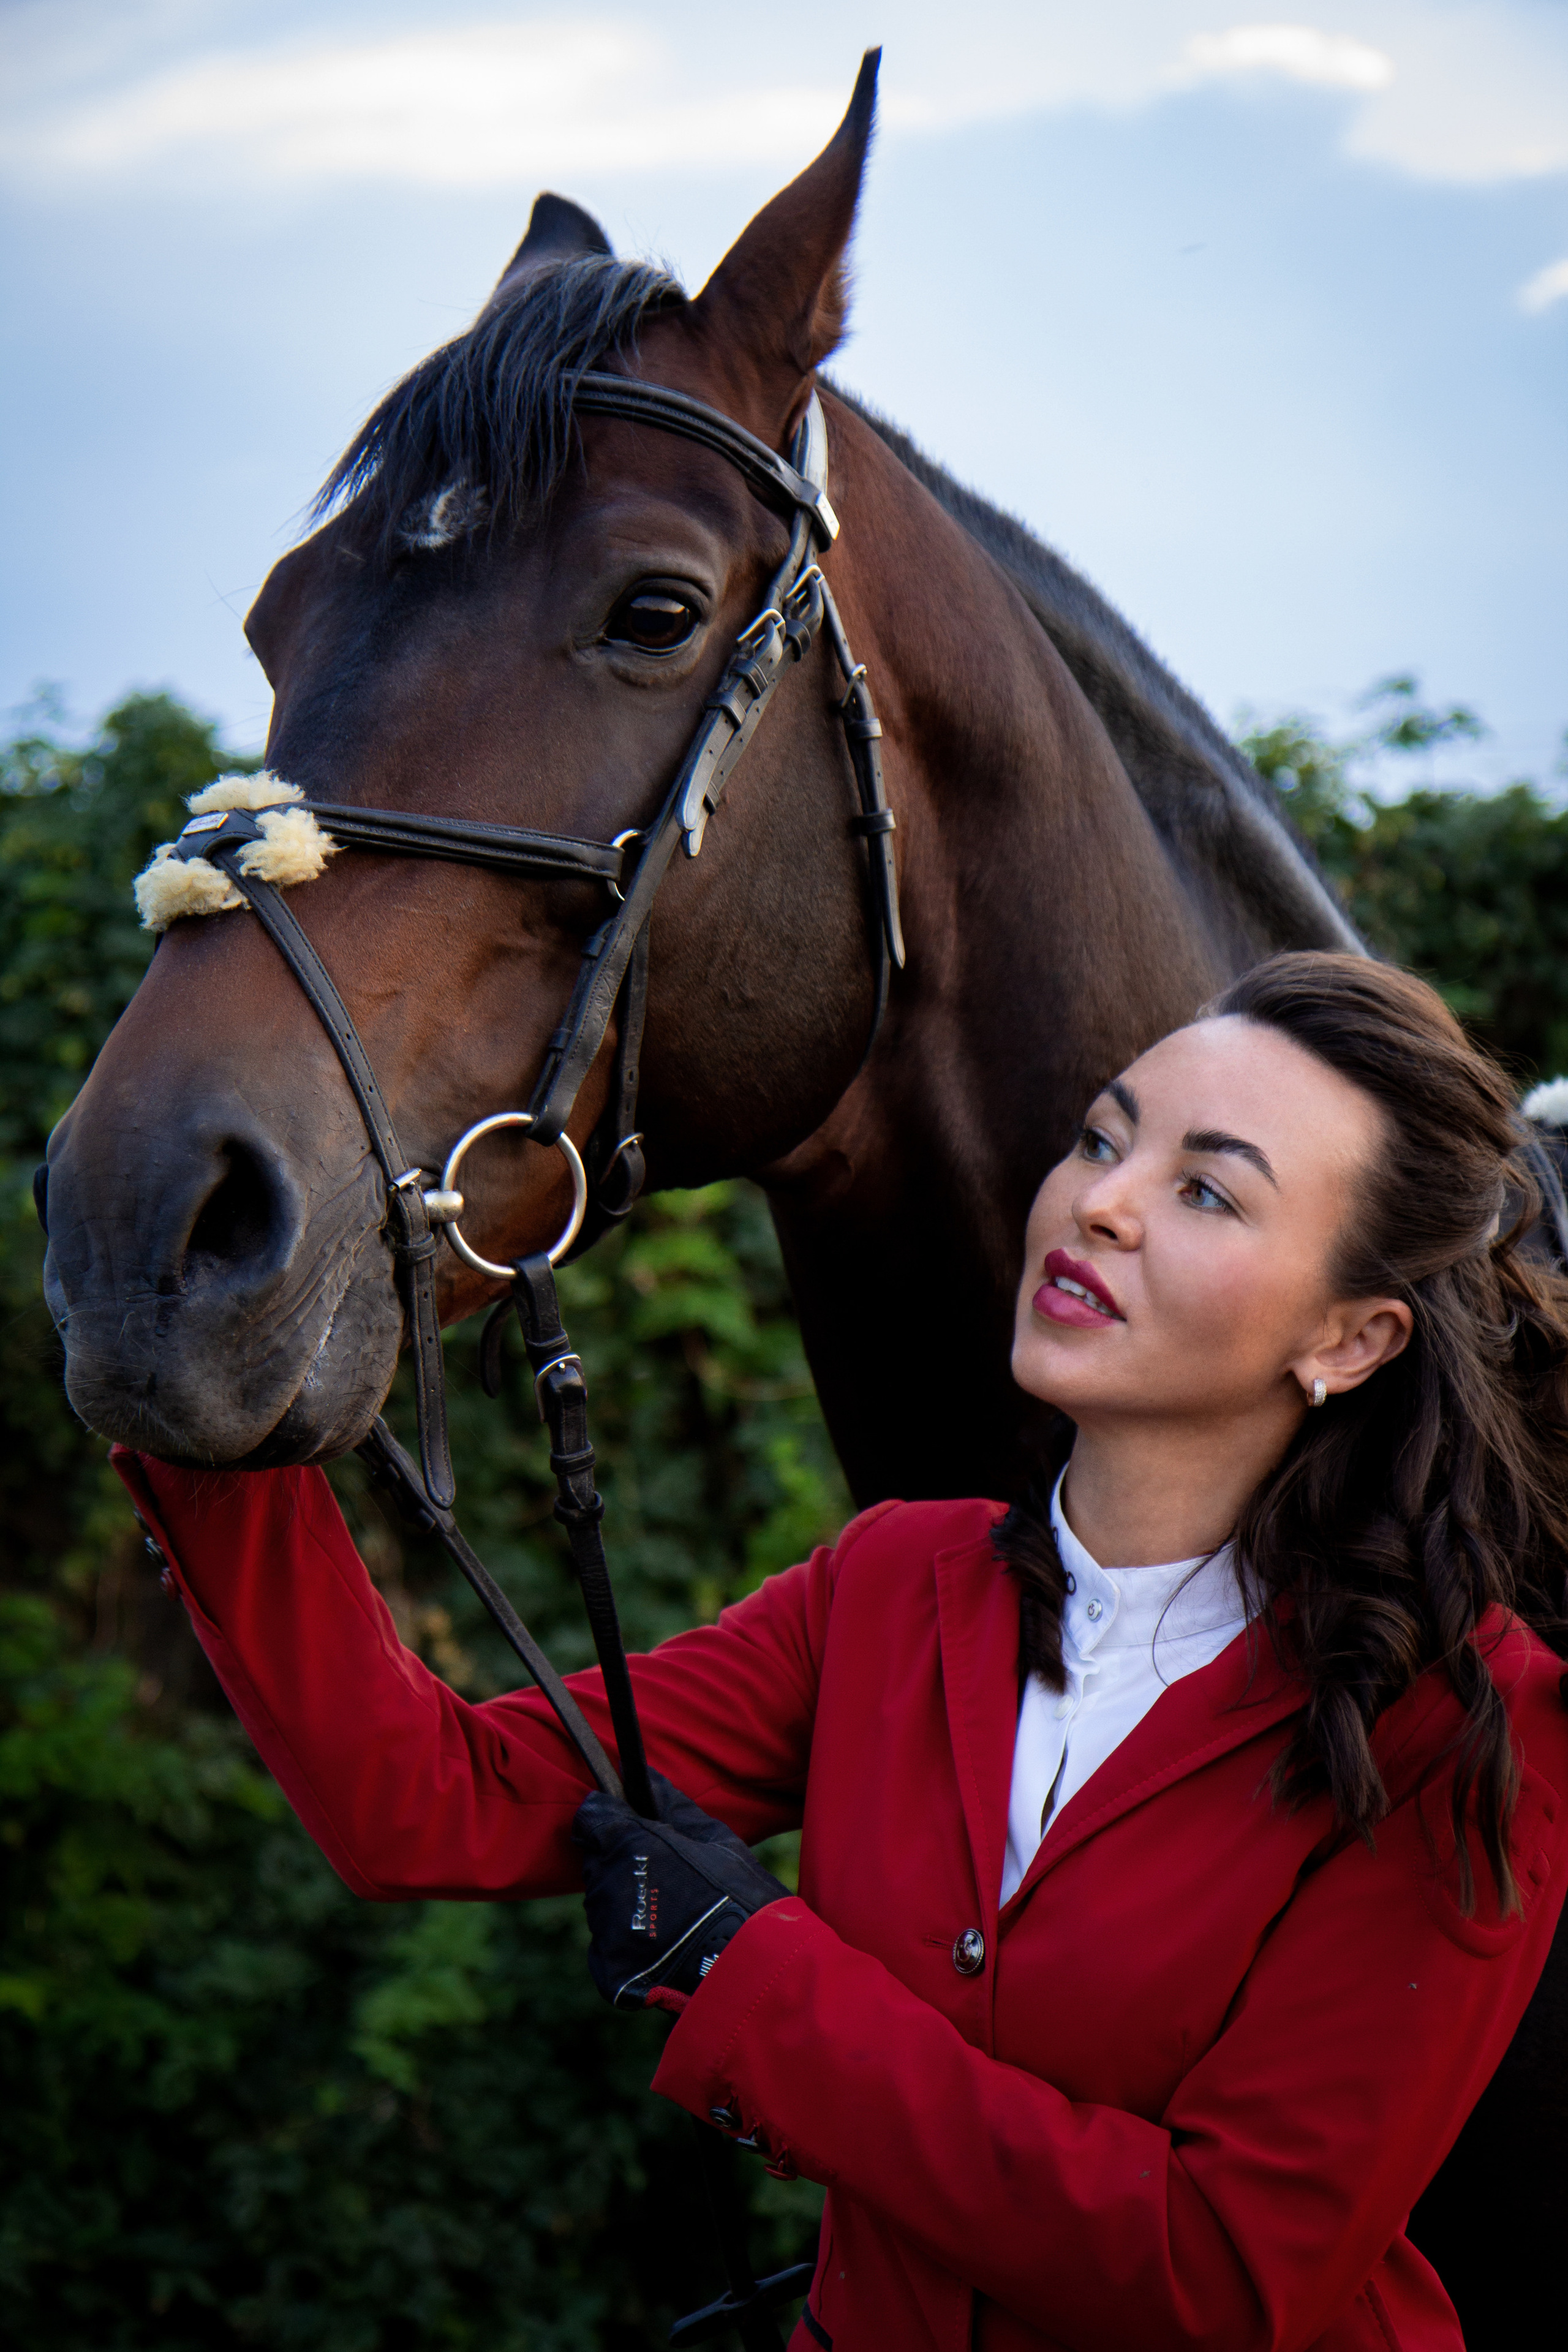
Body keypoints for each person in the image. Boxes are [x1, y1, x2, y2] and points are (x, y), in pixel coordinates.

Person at [115, 953, 1568, 2351]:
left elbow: (1220, 2275)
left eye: (1204, 1190)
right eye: (1099, 1138)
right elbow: (432, 1800)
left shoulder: (1464, 1729)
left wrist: (756, 1975)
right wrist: (197, 1381)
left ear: (1348, 1339)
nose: (1097, 1203)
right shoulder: (889, 1588)